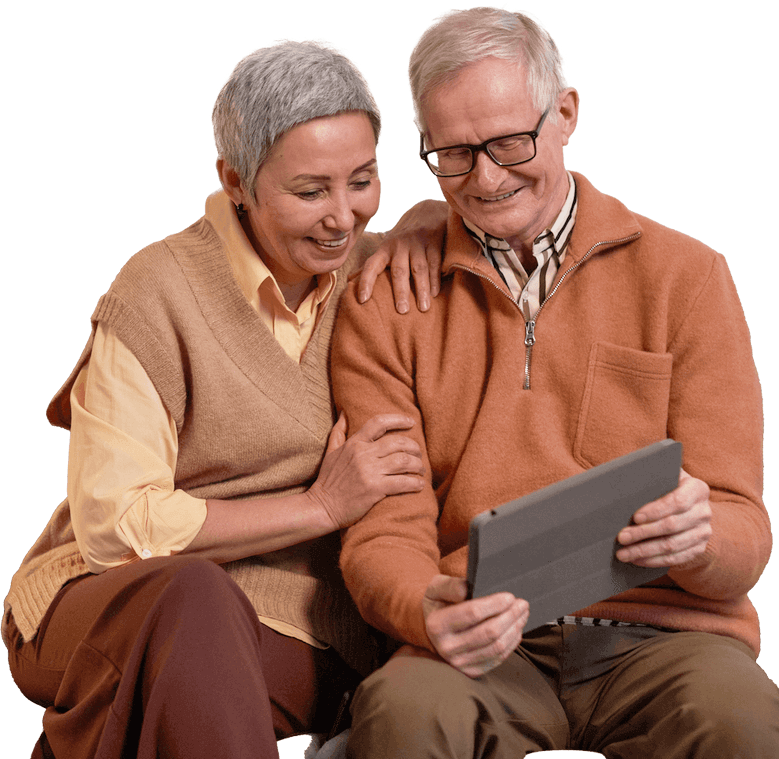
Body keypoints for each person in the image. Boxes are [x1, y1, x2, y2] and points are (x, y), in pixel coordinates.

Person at [330, 7, 779, 758]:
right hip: (485, 638)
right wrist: (425, 607)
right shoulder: (389, 298)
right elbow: (385, 526)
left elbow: (745, 525)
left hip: (661, 635)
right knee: (403, 712)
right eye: (452, 154)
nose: (485, 178)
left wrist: (702, 535)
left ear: (567, 113)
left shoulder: (689, 277)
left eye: (511, 142)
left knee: (741, 721)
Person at [2, 38, 445, 759]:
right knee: (194, 598)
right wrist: (320, 507)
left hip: (296, 626)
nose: (343, 216)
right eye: (310, 191)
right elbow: (116, 524)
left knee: (163, 690)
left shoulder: (382, 271)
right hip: (103, 599)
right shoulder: (156, 292)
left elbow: (479, 227)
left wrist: (432, 221)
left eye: (362, 180)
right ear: (234, 180)